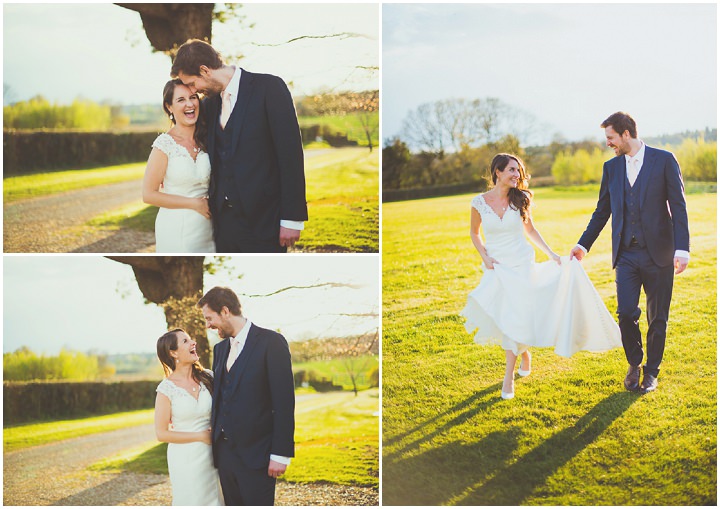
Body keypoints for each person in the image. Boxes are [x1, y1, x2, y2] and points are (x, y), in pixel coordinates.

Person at [461, 153, 622, 399]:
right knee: (508, 315)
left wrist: (552, 254)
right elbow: (474, 233)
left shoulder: (521, 199)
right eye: (512, 170)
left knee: (517, 314)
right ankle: (524, 352)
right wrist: (485, 257)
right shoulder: (479, 202)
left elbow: (530, 229)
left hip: (522, 265)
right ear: (498, 172)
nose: (517, 175)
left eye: (519, 171)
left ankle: (507, 379)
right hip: (498, 267)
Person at [570, 112, 690, 394]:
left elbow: (679, 207)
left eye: (611, 137)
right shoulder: (611, 169)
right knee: (625, 313)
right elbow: (602, 212)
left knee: (657, 317)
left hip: (659, 253)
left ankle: (652, 373)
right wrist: (583, 244)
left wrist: (682, 248)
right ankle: (634, 363)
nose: (608, 143)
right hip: (626, 255)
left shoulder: (664, 160)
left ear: (626, 134)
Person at [171, 39, 308, 253]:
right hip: (223, 225)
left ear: (204, 70)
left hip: (265, 220)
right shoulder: (209, 104)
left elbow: (290, 155)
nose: (193, 91)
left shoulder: (269, 88)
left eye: (191, 84)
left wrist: (292, 219)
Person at [197, 286, 295, 506]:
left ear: (225, 311)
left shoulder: (272, 342)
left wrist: (280, 454)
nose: (208, 325)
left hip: (258, 455)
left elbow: (284, 402)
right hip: (224, 455)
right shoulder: (220, 349)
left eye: (209, 318)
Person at [143, 79, 216, 253]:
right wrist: (194, 204)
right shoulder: (164, 144)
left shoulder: (207, 139)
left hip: (209, 229)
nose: (189, 104)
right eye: (181, 100)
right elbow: (148, 195)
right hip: (176, 227)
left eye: (193, 97)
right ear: (169, 107)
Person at [155, 328, 223, 505]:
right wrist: (201, 436)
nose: (193, 342)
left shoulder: (209, 377)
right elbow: (162, 433)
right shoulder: (166, 389)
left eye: (190, 339)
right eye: (185, 341)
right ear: (173, 352)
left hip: (215, 453)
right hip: (185, 457)